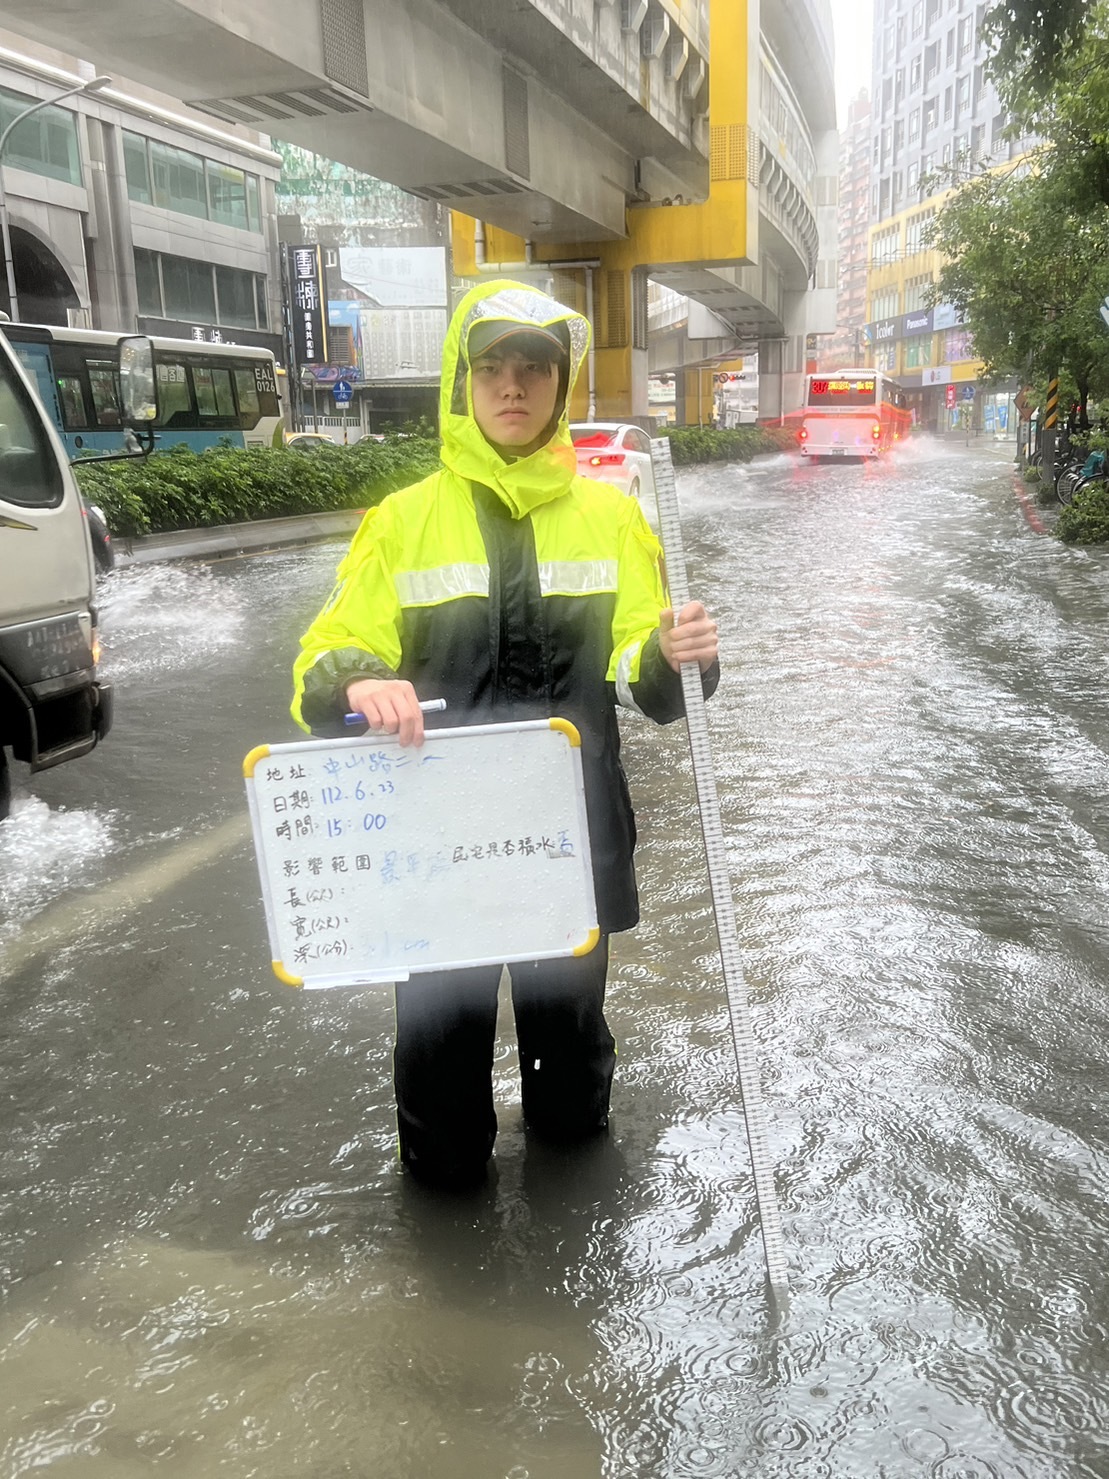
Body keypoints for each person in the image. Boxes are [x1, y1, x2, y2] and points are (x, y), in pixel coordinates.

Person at [292, 279, 718, 1189]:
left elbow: (641, 671)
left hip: (570, 839)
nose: (513, 386)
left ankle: (571, 1231)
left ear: (560, 387)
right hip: (434, 850)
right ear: (463, 381)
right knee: (440, 1082)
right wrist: (360, 683)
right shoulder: (399, 522)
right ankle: (444, 1239)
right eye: (494, 368)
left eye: (534, 369)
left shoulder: (612, 517)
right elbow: (325, 656)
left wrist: (675, 654)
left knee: (570, 1083)